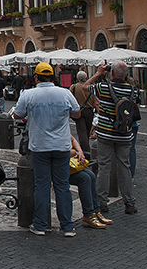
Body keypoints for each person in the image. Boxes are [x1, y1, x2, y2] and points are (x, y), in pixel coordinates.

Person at [12, 62, 81, 236]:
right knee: (62, 186)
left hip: (40, 146)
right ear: (52, 76)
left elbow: (17, 115)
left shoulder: (29, 94)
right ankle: (67, 226)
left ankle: (41, 225)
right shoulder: (64, 93)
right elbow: (77, 113)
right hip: (62, 146)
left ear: (36, 77)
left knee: (42, 186)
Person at [89, 61, 140, 215]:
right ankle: (129, 203)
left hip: (105, 133)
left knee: (104, 166)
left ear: (111, 73)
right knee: (124, 167)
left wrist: (98, 73)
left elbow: (86, 87)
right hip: (125, 133)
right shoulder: (133, 90)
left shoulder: (103, 87)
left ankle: (102, 202)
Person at [68, 135, 110, 228]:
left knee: (91, 175)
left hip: (69, 160)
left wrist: (80, 152)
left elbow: (72, 139)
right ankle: (88, 214)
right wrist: (75, 152)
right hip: (59, 164)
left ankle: (95, 211)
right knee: (84, 179)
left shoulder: (61, 124)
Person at [70, 69, 100, 152]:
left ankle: (85, 149)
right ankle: (86, 148)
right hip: (89, 111)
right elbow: (96, 102)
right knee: (87, 129)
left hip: (78, 111)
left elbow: (70, 99)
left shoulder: (74, 87)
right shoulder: (90, 87)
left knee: (81, 130)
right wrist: (100, 113)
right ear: (86, 77)